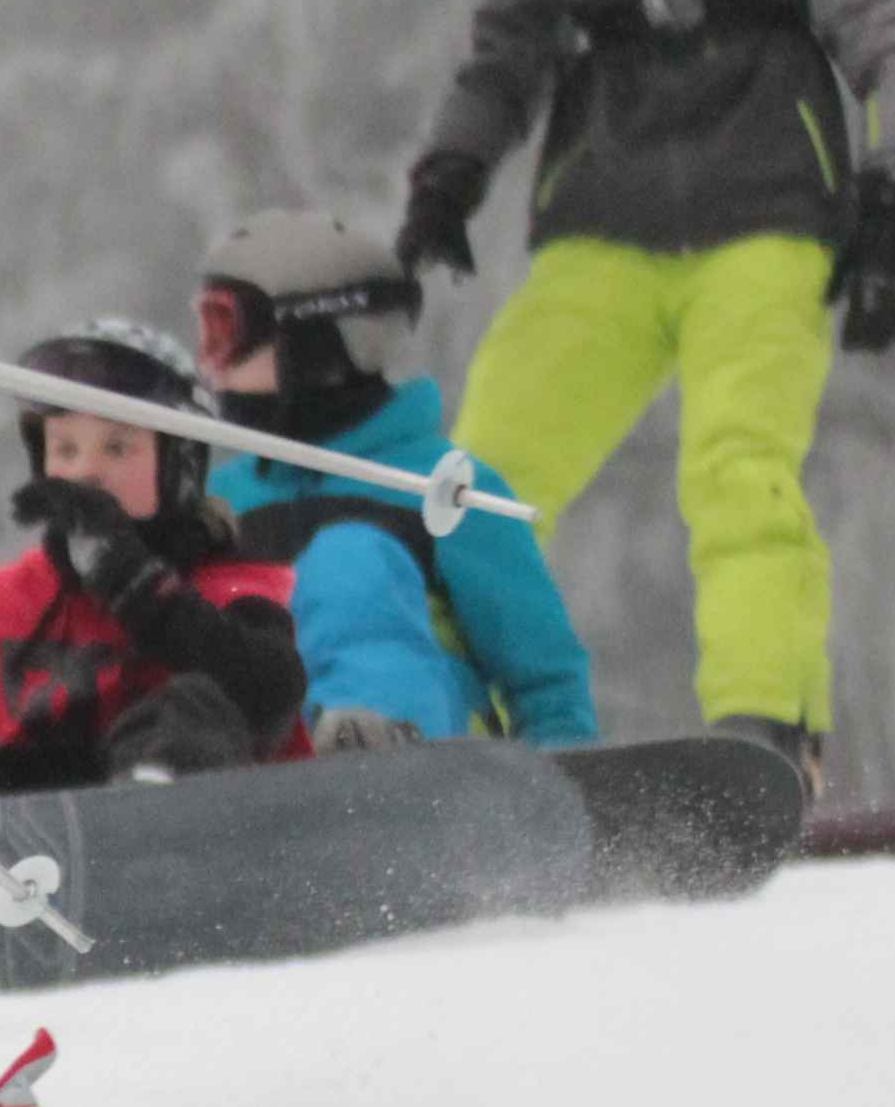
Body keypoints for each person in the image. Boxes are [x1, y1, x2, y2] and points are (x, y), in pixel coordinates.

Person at [395, 0, 895, 774]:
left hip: (766, 230)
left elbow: (890, 51)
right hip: (602, 239)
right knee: (481, 479)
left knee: (740, 470)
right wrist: (446, 182)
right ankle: (443, 719)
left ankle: (764, 731)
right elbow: (500, 68)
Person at [0, 324, 310, 798]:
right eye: (66, 450)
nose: (86, 473)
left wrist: (140, 587)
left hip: (192, 816)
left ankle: (149, 807)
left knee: (190, 711)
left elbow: (271, 696)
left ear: (181, 464)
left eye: (117, 447)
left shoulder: (233, 592)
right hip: (10, 828)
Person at [197, 211, 599, 749]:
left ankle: (371, 748)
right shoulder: (225, 501)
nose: (212, 364)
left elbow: (545, 684)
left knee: (349, 563)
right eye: (207, 332)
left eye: (227, 331)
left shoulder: (447, 490)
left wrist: (568, 781)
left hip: (437, 764)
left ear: (315, 341)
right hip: (264, 763)